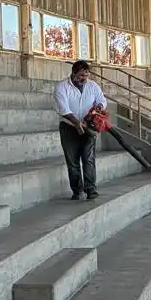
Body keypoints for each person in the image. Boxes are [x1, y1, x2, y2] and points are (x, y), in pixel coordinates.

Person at [54, 59, 107, 200]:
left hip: (88, 127)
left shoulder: (93, 86)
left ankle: (91, 189)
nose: (84, 78)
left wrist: (99, 107)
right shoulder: (62, 87)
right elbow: (64, 109)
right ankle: (77, 190)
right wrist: (77, 124)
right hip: (69, 127)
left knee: (88, 158)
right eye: (81, 75)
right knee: (72, 161)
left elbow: (102, 100)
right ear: (73, 73)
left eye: (86, 75)